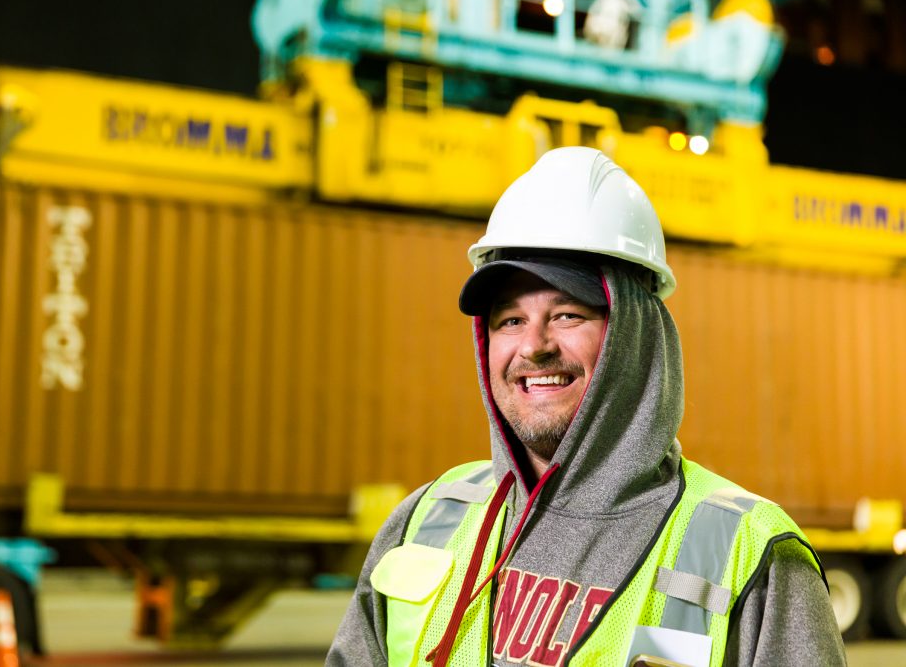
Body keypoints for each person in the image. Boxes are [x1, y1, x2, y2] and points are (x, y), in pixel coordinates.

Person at [326, 147, 845, 667]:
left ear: (634, 335)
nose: (533, 346)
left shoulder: (752, 554)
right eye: (509, 320)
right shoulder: (424, 522)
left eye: (568, 314)